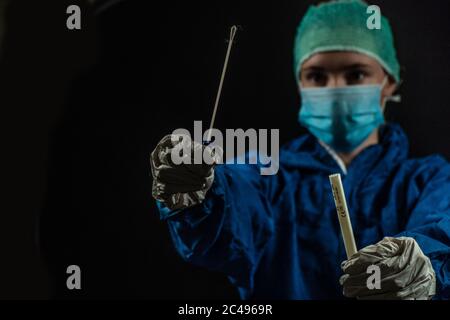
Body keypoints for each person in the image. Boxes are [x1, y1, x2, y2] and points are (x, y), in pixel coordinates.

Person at [150, 0, 450, 299]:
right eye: (317, 76)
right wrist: (198, 189)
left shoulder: (431, 180)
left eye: (356, 74)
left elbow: (441, 234)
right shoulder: (268, 175)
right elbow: (229, 200)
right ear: (300, 84)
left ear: (391, 82)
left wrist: (424, 267)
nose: (334, 89)